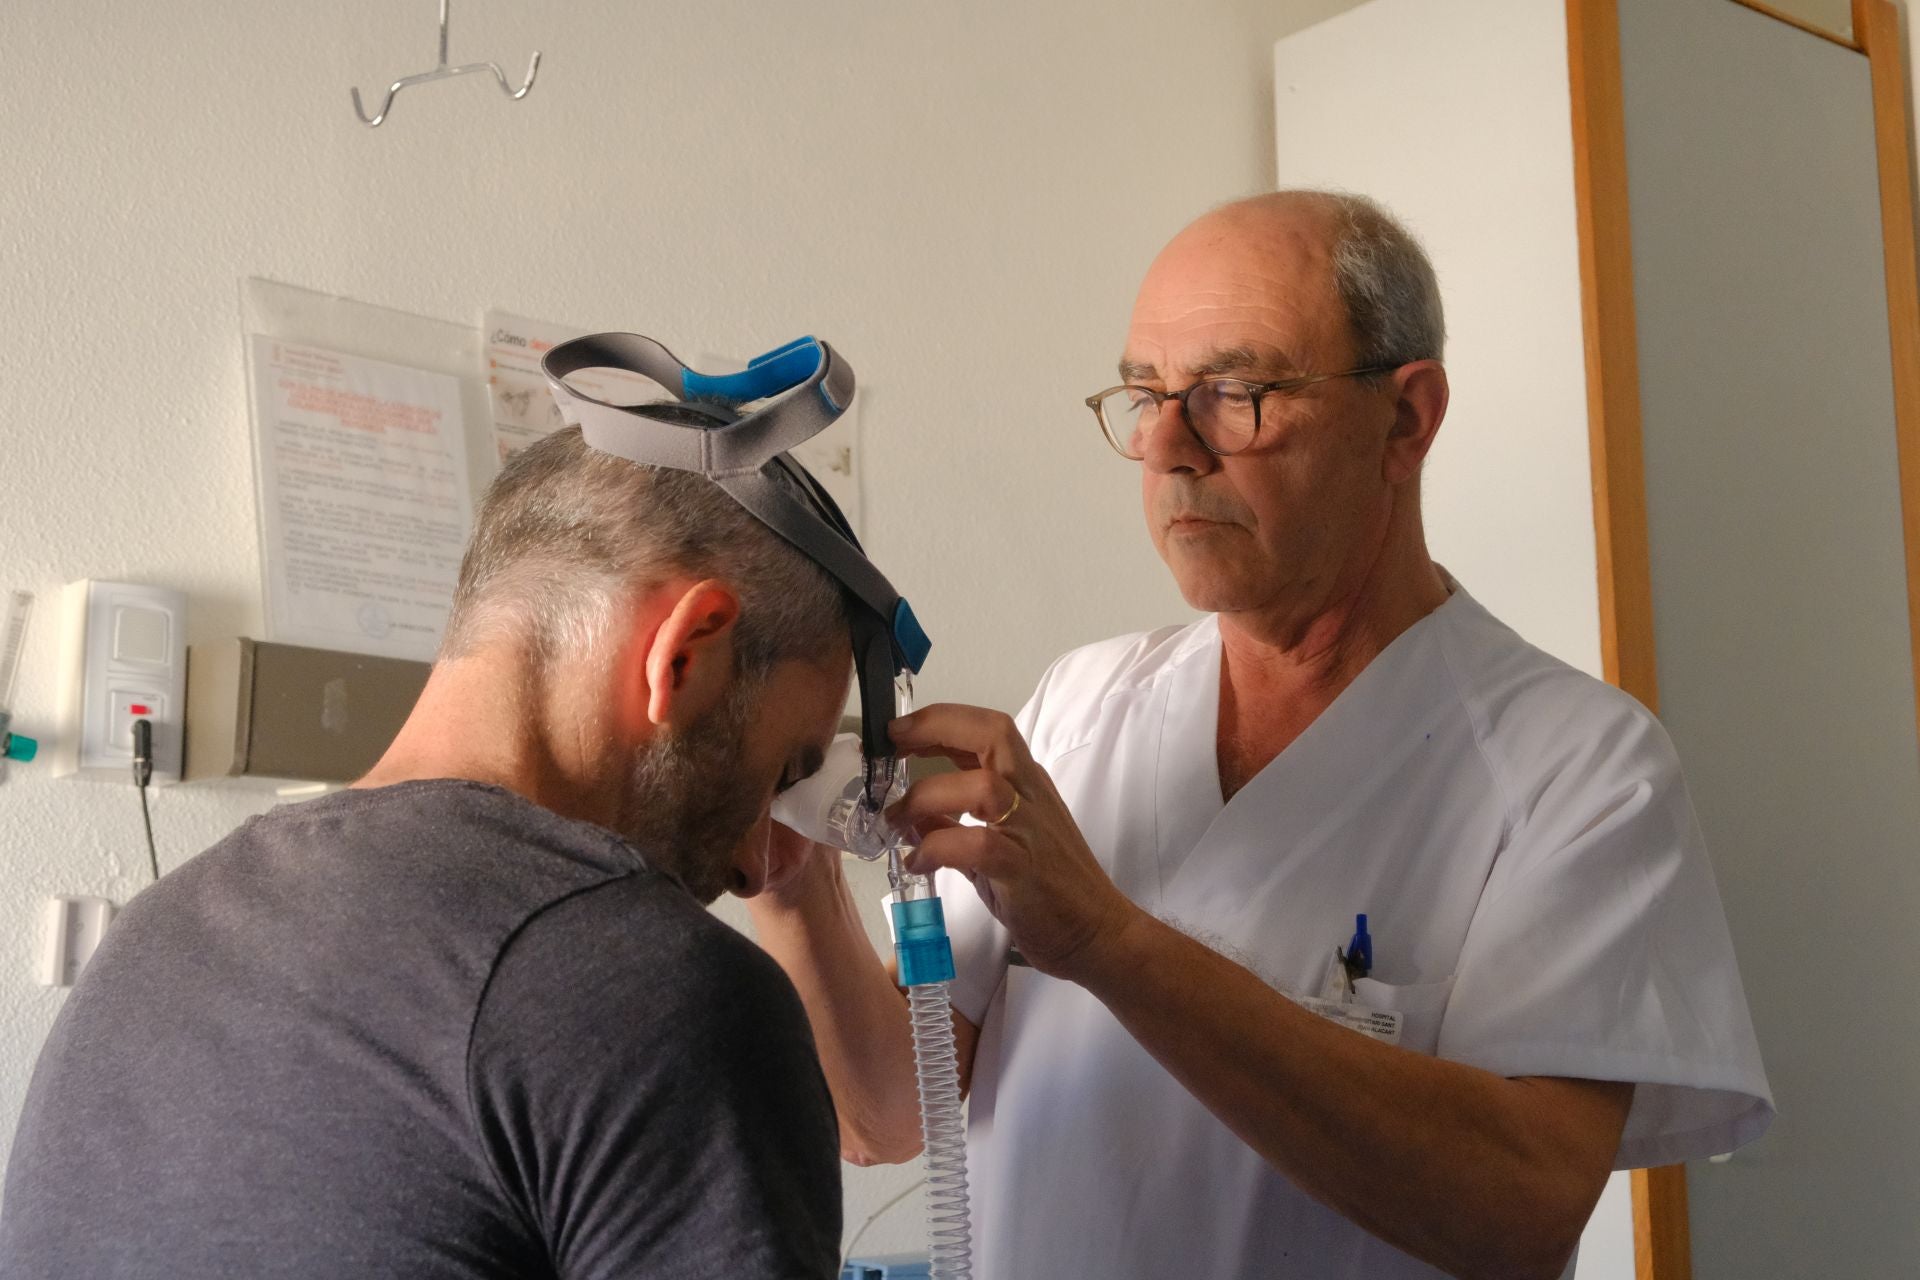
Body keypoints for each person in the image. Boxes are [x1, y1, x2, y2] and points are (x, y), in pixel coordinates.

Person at [749, 191, 1773, 1280]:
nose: (1168, 452)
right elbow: (892, 1115)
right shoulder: (1081, 704)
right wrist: (781, 848)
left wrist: (1108, 941)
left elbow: (1518, 1211)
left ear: (1406, 419)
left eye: (1235, 394)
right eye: (1144, 396)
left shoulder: (1578, 766)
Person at [0, 421, 859, 1279]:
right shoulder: (654, 985)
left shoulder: (152, 941)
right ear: (687, 655)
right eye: (781, 769)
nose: (757, 863)